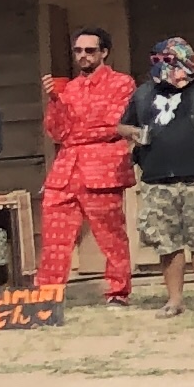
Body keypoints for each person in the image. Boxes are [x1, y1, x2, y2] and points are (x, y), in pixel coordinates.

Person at [123, 36, 194, 316]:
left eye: (173, 61)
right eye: (162, 61)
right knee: (167, 243)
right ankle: (174, 300)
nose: (168, 67)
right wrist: (134, 133)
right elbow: (123, 124)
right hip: (157, 178)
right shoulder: (144, 93)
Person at [38, 22, 139, 306]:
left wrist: (81, 131)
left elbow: (112, 125)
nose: (83, 55)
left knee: (111, 235)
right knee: (55, 236)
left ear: (104, 52)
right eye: (78, 50)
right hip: (66, 169)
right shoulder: (67, 89)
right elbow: (57, 132)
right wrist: (55, 100)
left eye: (90, 50)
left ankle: (118, 292)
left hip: (103, 168)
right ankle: (48, 295)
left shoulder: (122, 83)